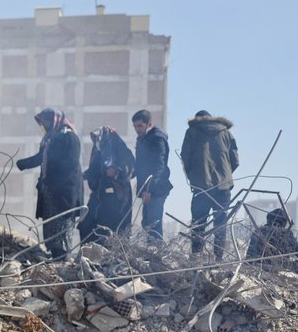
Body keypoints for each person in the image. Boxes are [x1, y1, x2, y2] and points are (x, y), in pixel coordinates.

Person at [16, 108, 83, 259]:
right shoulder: (49, 139)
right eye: (42, 122)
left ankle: (63, 260)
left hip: (64, 192)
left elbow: (71, 165)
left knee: (62, 230)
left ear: (56, 120)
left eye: (46, 121)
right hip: (49, 191)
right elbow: (41, 158)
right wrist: (23, 164)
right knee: (50, 230)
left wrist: (55, 181)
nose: (44, 125)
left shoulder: (69, 137)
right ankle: (55, 257)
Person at [181, 110, 239, 259]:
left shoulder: (192, 132)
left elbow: (185, 158)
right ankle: (218, 259)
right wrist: (224, 176)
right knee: (221, 223)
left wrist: (194, 177)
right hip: (223, 187)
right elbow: (235, 160)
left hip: (201, 187)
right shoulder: (226, 133)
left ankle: (196, 257)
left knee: (199, 223)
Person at [79, 127, 135, 244]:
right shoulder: (98, 150)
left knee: (111, 228)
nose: (97, 142)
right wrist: (83, 175)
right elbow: (94, 169)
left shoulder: (121, 150)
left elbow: (131, 168)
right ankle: (90, 253)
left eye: (99, 138)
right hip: (99, 195)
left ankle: (110, 257)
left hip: (116, 198)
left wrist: (117, 171)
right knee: (86, 223)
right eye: (95, 139)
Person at [131, 110, 173, 244]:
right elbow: (141, 164)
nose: (137, 129)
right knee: (147, 223)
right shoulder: (142, 139)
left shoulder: (157, 138)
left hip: (156, 189)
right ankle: (151, 252)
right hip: (147, 189)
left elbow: (159, 165)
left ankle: (156, 255)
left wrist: (150, 189)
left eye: (140, 126)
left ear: (149, 124)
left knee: (154, 224)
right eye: (135, 126)